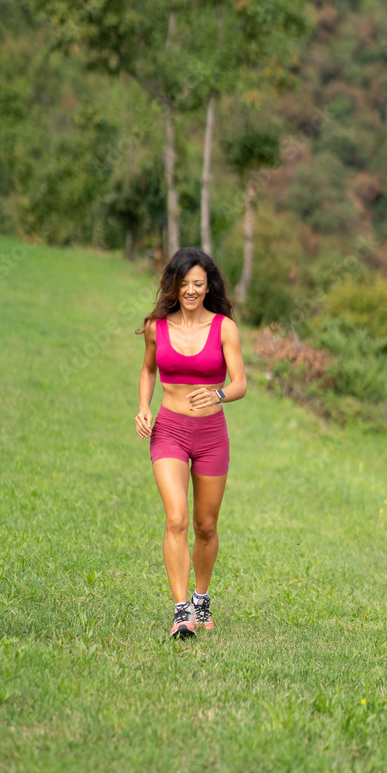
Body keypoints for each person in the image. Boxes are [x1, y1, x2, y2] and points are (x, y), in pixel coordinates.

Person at [135, 246, 247, 638]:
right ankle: (181, 611)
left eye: (198, 284)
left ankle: (201, 599)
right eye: (184, 284)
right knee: (177, 518)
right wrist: (143, 407)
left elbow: (240, 385)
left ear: (208, 285)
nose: (191, 291)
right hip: (169, 430)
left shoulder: (224, 328)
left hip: (212, 435)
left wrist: (217, 395)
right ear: (174, 285)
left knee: (206, 525)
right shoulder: (157, 327)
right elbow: (148, 370)